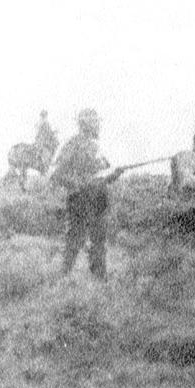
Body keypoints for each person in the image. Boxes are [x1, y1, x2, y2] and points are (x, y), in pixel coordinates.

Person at [50, 109, 125, 279]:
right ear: (87, 124)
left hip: (99, 200)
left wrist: (114, 174)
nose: (99, 125)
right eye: (96, 122)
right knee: (74, 240)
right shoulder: (73, 144)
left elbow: (104, 174)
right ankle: (63, 277)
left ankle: (99, 278)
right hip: (80, 200)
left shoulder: (96, 147)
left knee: (99, 241)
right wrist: (77, 183)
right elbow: (56, 172)